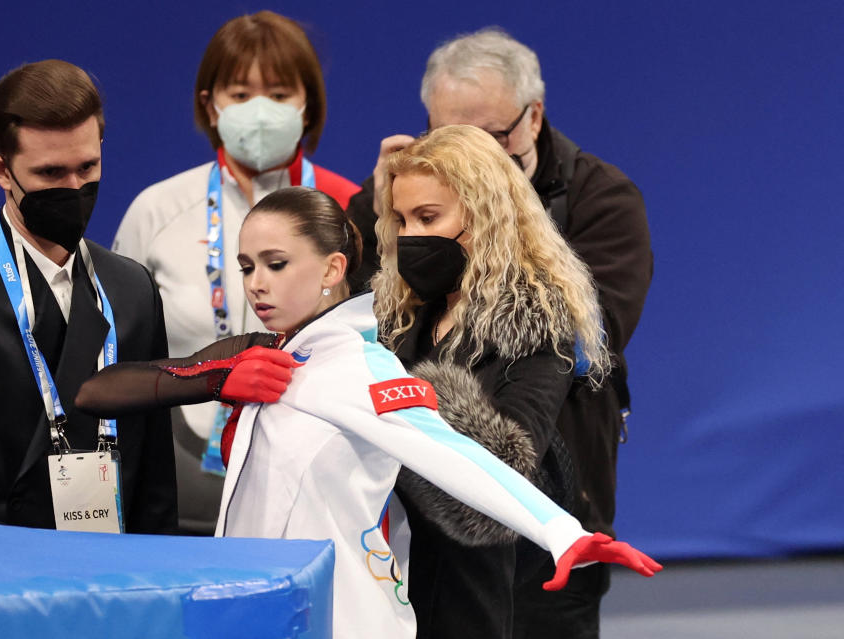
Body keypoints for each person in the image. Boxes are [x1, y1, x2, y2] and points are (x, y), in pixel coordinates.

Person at [77, 185, 661, 639]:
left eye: (276, 264)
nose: (256, 283)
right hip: (261, 607)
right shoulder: (260, 351)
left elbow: (456, 455)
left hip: (341, 619)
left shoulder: (363, 370)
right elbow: (95, 392)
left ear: (333, 269)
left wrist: (560, 531)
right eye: (247, 265)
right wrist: (210, 379)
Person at [347, 28, 653, 637]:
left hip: (554, 499)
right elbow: (349, 319)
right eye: (447, 137)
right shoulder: (406, 219)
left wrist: (416, 387)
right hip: (420, 530)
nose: (471, 152)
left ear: (532, 118)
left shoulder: (603, 199)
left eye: (490, 137)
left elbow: (590, 330)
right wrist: (380, 213)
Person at [0, 59, 185, 531]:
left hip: (114, 574)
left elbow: (154, 477)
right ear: (2, 171)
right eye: (50, 173)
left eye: (88, 167)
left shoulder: (133, 288)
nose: (74, 188)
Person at [112, 10, 360, 534]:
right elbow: (121, 361)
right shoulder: (157, 211)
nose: (260, 111)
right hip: (181, 498)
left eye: (277, 92)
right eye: (241, 94)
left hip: (318, 496)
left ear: (307, 103)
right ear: (211, 104)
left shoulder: (351, 210)